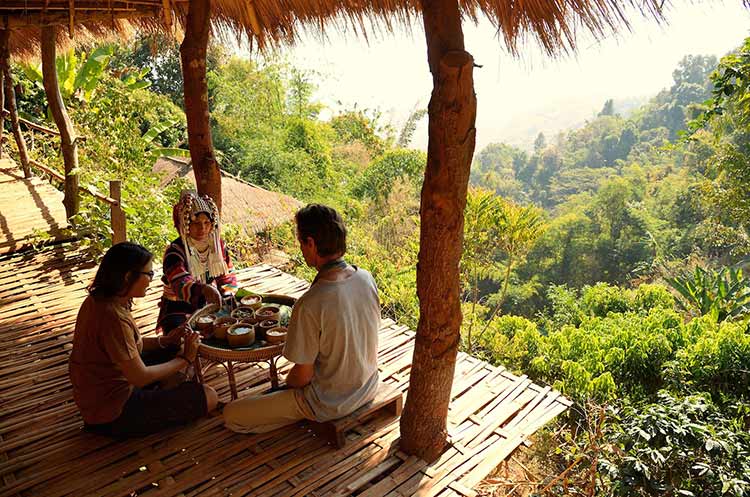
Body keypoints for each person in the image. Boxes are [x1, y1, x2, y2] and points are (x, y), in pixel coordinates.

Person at [223, 204, 380, 433]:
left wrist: (284, 387)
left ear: (311, 244)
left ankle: (297, 414)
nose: (301, 249)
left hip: (330, 403)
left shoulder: (311, 302)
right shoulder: (366, 278)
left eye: (301, 243)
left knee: (232, 414)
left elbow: (301, 377)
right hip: (367, 386)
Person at [68, 242, 219, 438]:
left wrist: (165, 341)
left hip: (100, 393)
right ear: (128, 277)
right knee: (208, 396)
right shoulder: (112, 316)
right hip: (111, 411)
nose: (151, 280)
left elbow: (127, 345)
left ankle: (163, 390)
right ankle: (159, 395)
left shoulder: (100, 300)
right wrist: (185, 359)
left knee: (174, 348)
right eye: (149, 274)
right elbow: (139, 376)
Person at [157, 191, 237, 334]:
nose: (203, 228)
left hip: (209, 304)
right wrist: (204, 289)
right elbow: (180, 283)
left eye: (207, 222)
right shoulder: (175, 251)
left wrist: (228, 295)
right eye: (196, 223)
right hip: (178, 308)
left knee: (232, 323)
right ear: (186, 224)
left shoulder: (217, 246)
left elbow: (226, 276)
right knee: (182, 338)